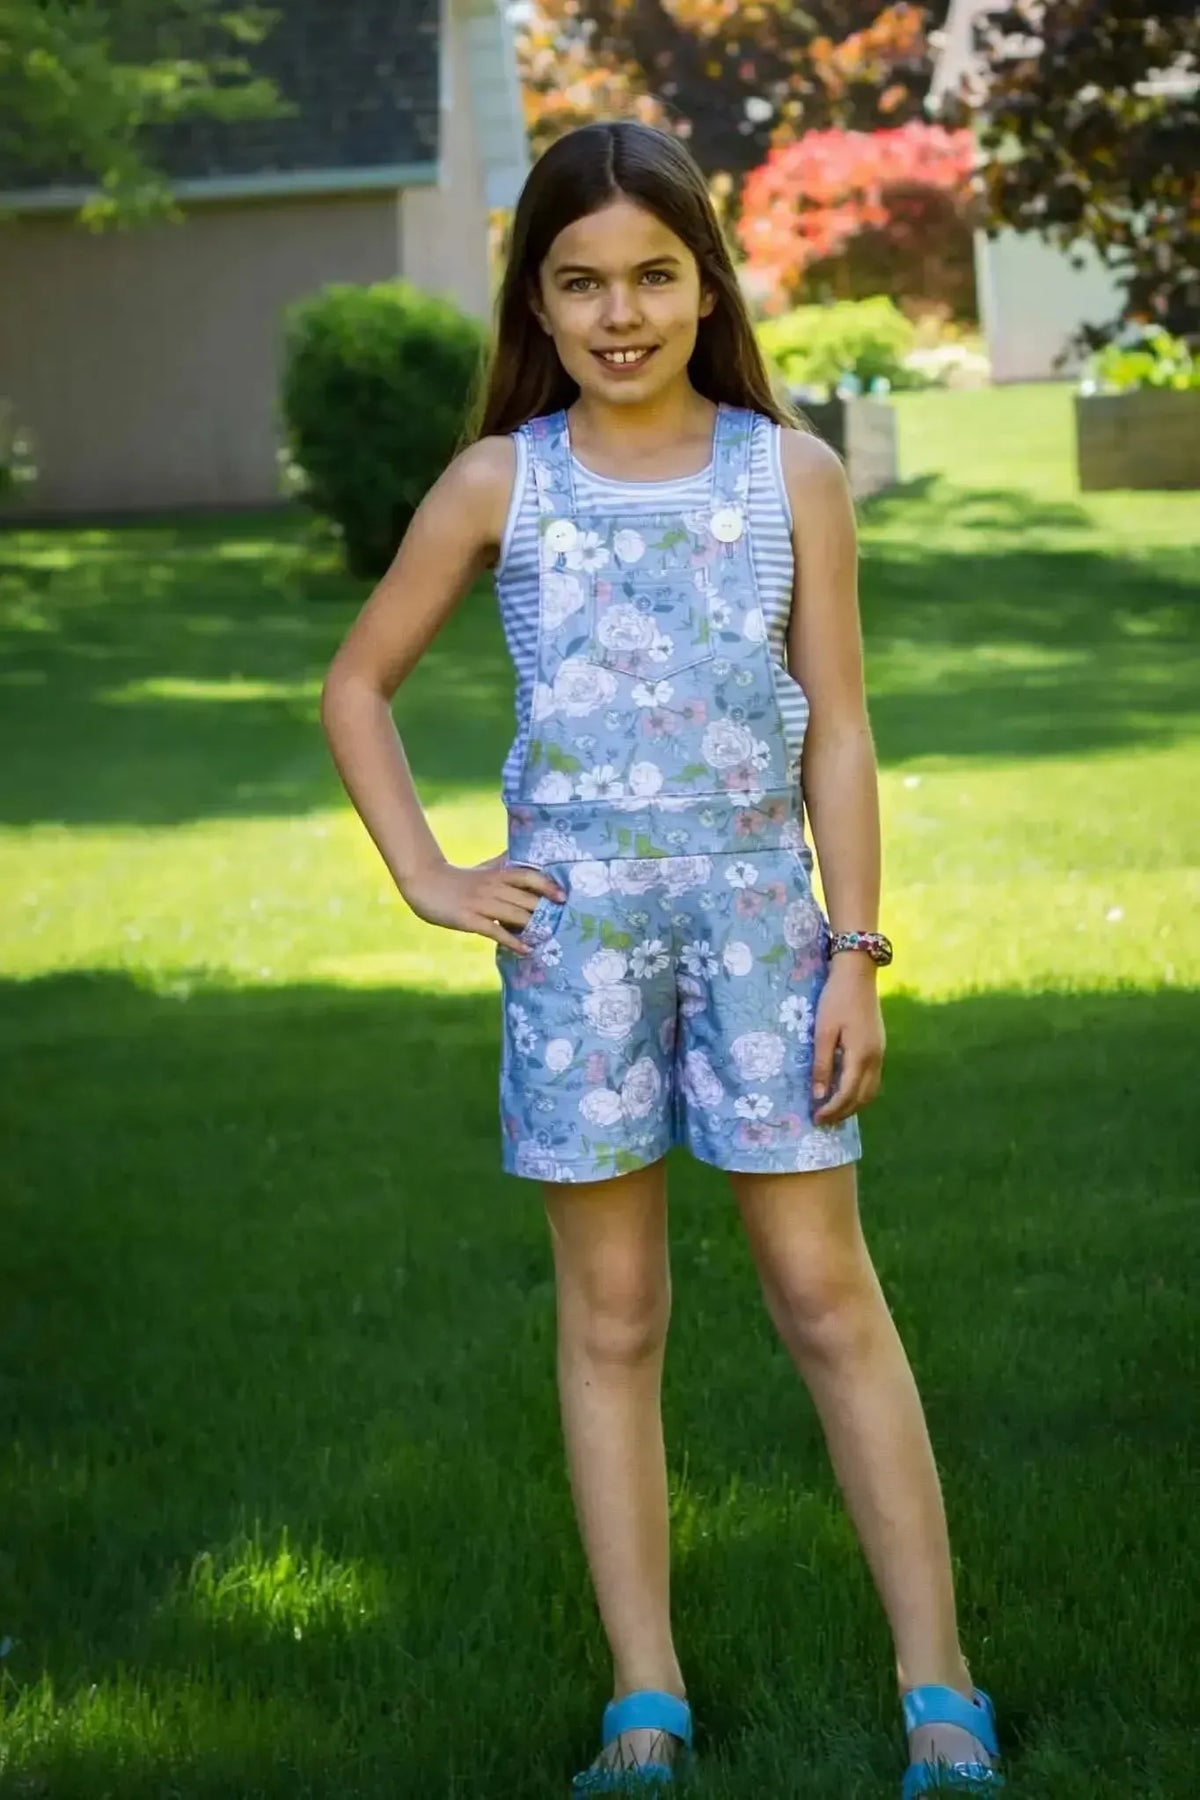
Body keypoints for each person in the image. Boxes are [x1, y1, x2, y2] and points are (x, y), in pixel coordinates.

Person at [319, 119, 1003, 1799]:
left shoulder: (790, 474)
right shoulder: (503, 484)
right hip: (580, 945)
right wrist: (431, 874)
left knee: (827, 1297)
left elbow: (839, 725)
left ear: (706, 284)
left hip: (769, 927)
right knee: (613, 1313)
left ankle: (942, 1691)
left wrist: (855, 947)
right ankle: (646, 1698)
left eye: (651, 275)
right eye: (579, 283)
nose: (620, 313)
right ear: (537, 306)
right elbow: (356, 687)